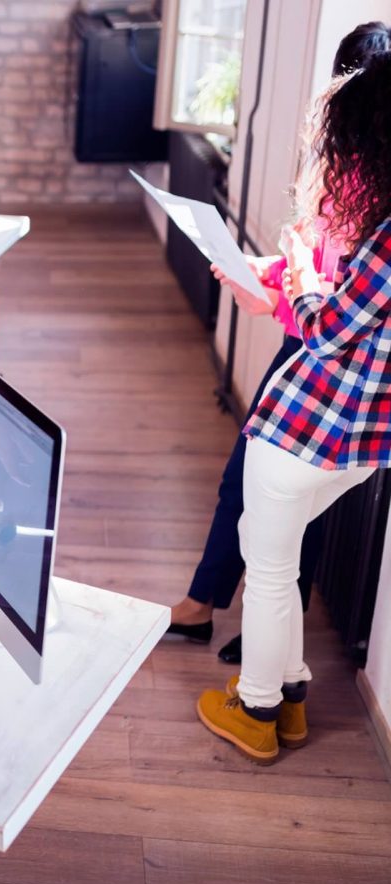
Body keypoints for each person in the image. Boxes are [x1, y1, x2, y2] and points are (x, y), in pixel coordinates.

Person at [166, 21, 391, 664]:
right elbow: (312, 260)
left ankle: (257, 638)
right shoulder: (349, 169)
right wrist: (266, 269)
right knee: (245, 486)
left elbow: (333, 303)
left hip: (323, 362)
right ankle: (210, 606)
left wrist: (275, 292)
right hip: (305, 347)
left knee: (284, 505)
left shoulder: (374, 194)